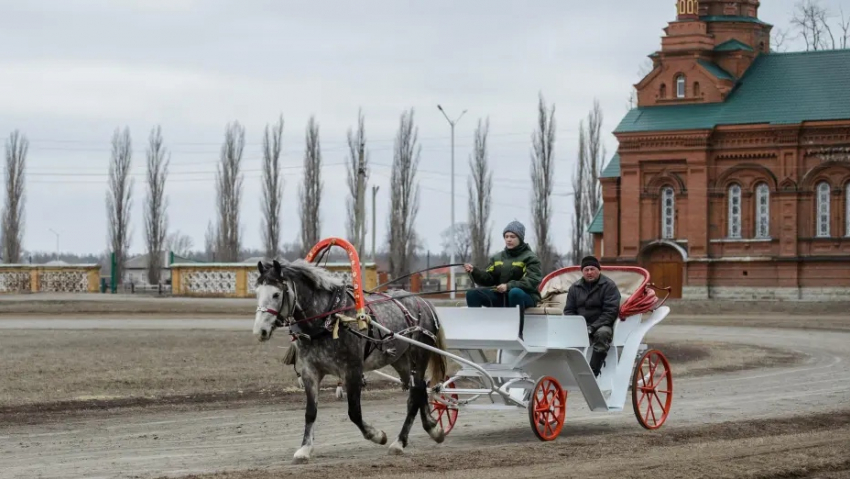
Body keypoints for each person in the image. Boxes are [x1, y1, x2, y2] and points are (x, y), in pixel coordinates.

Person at [463, 220, 542, 313]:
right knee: (472, 294)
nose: (508, 239)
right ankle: (476, 325)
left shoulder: (530, 258)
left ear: (520, 238)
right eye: (506, 236)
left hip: (525, 296)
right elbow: (489, 278)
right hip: (502, 295)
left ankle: (516, 326)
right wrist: (474, 271)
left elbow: (531, 281)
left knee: (515, 293)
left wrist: (508, 286)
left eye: (512, 237)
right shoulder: (497, 258)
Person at [563, 255, 621, 377]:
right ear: (582, 272)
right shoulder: (575, 288)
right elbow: (569, 311)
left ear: (599, 270)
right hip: (580, 324)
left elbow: (610, 312)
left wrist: (592, 328)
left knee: (602, 334)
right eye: (586, 270)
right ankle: (565, 372)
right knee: (559, 334)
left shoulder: (609, 286)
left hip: (602, 324)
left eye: (592, 269)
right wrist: (576, 325)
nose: (589, 272)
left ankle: (592, 373)